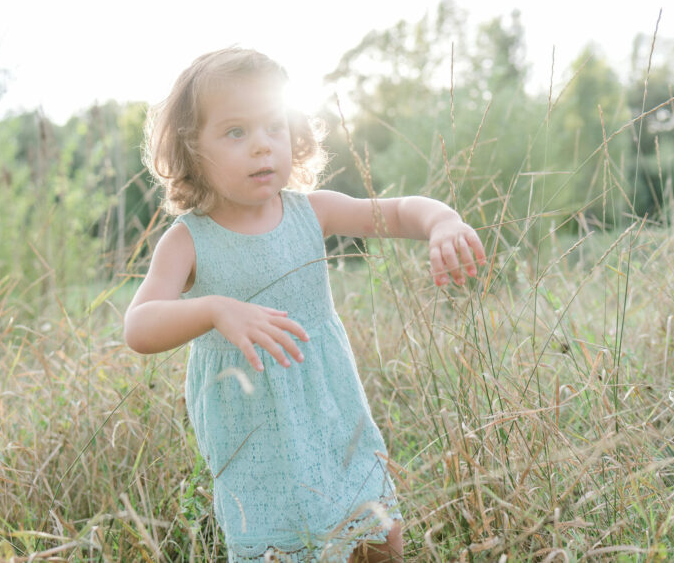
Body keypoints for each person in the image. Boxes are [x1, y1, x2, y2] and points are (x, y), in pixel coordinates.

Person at [124, 47, 486, 562]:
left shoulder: (311, 212)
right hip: (253, 431)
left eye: (274, 126)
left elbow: (400, 212)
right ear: (190, 151)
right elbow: (139, 326)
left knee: (379, 533)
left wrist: (442, 221)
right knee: (281, 546)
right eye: (235, 132)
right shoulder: (187, 241)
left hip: (333, 408)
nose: (261, 147)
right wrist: (214, 310)